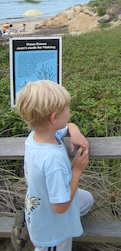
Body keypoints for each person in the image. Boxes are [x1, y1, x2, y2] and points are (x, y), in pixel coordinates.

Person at [13, 80, 94, 251]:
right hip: (52, 231)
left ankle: (29, 220)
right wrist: (77, 169)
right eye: (67, 108)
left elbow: (68, 126)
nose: (69, 112)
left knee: (86, 199)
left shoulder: (37, 136)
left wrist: (75, 131)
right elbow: (60, 207)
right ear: (55, 117)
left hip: (39, 196)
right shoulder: (53, 159)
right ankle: (36, 228)